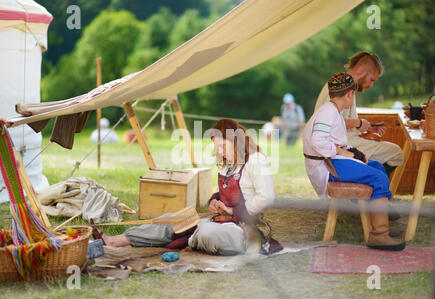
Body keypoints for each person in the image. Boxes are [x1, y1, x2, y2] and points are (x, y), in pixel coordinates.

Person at [92, 118, 283, 256]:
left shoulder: (256, 160)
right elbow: (227, 191)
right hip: (222, 221)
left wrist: (233, 210)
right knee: (170, 220)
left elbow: (267, 197)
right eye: (216, 148)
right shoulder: (229, 163)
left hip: (244, 229)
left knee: (208, 233)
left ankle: (190, 237)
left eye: (223, 146)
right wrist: (214, 201)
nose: (219, 152)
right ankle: (114, 241)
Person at [303, 72, 405, 251]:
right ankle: (379, 234)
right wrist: (341, 151)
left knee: (377, 167)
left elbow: (334, 140)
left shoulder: (332, 110)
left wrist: (355, 153)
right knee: (378, 178)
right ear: (350, 94)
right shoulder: (328, 112)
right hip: (327, 167)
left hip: (332, 160)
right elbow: (318, 141)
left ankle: (379, 216)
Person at [314, 52, 403, 178]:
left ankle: (367, 185)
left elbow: (343, 121)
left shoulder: (347, 87)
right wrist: (359, 123)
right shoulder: (339, 87)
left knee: (392, 154)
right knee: (396, 153)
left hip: (343, 142)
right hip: (335, 147)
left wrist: (366, 128)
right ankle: (366, 185)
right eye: (371, 79)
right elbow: (330, 122)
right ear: (361, 71)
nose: (371, 85)